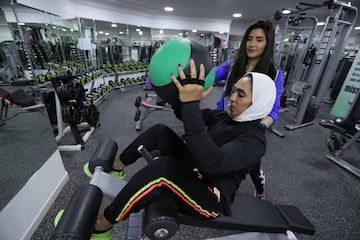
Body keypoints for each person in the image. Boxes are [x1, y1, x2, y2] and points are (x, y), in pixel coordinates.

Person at [86, 59, 276, 239]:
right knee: (161, 132)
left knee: (164, 168)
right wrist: (180, 97)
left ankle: (102, 224)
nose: (232, 98)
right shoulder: (224, 117)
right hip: (195, 169)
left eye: (241, 94)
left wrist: (191, 104)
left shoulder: (255, 141)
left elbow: (213, 162)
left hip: (210, 196)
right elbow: (188, 116)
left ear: (259, 101)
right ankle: (118, 166)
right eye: (233, 90)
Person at [215, 20, 284, 199]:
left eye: (259, 40)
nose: (252, 44)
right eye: (249, 39)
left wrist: (261, 126)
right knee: (214, 155)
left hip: (249, 128)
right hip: (224, 119)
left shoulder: (274, 73)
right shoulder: (233, 65)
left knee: (252, 166)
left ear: (267, 44)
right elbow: (211, 75)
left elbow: (275, 110)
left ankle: (260, 189)